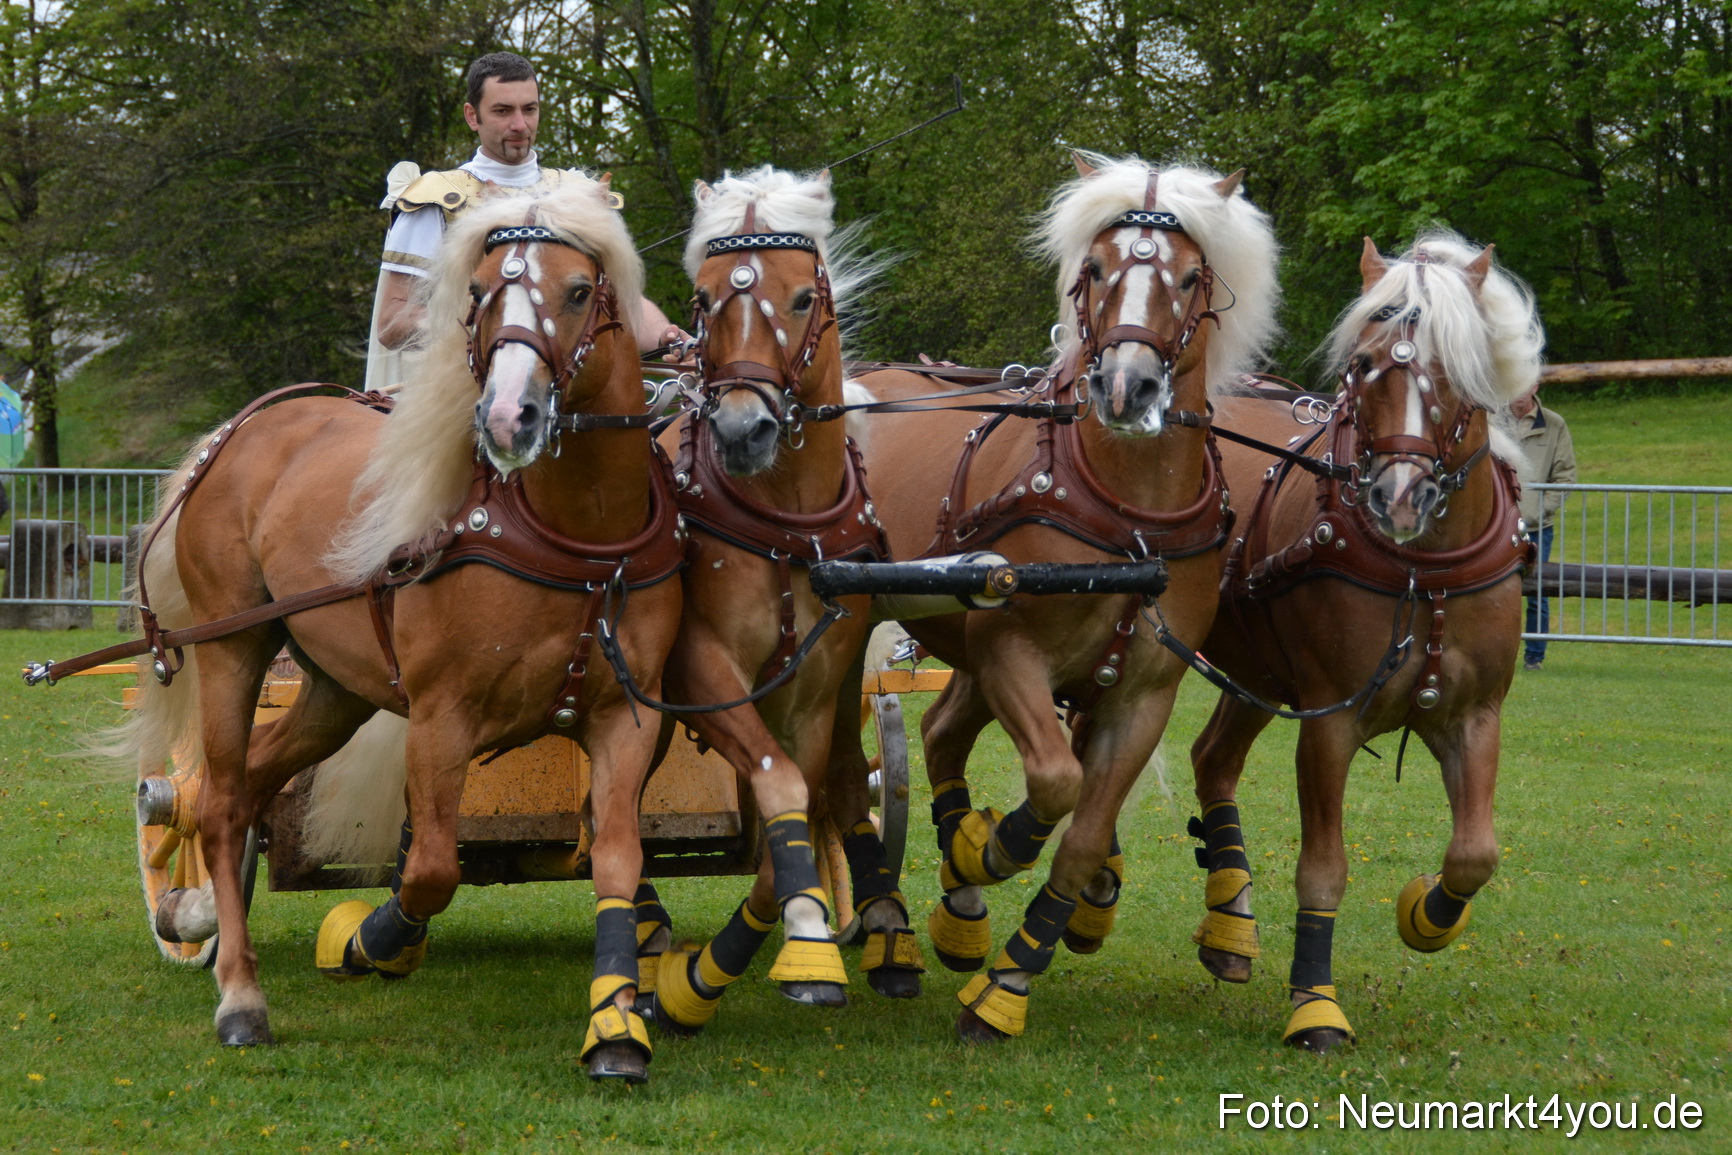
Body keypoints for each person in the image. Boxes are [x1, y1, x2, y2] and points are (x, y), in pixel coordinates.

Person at [367, 52, 682, 388]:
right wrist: (497, 323)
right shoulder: (436, 198)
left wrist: (670, 337)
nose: (519, 125)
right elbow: (392, 324)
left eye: (529, 109)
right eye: (503, 111)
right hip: (459, 399)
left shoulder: (578, 193)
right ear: (472, 116)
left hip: (570, 394)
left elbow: (621, 303)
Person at [1494, 383, 1578, 670]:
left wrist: (1541, 511)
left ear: (1535, 385)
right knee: (1489, 589)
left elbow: (1565, 475)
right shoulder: (1492, 418)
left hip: (1537, 526)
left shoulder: (1554, 424)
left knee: (1537, 591)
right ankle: (1491, 654)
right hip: (1496, 523)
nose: (1518, 390)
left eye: (1524, 383)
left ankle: (1534, 657)